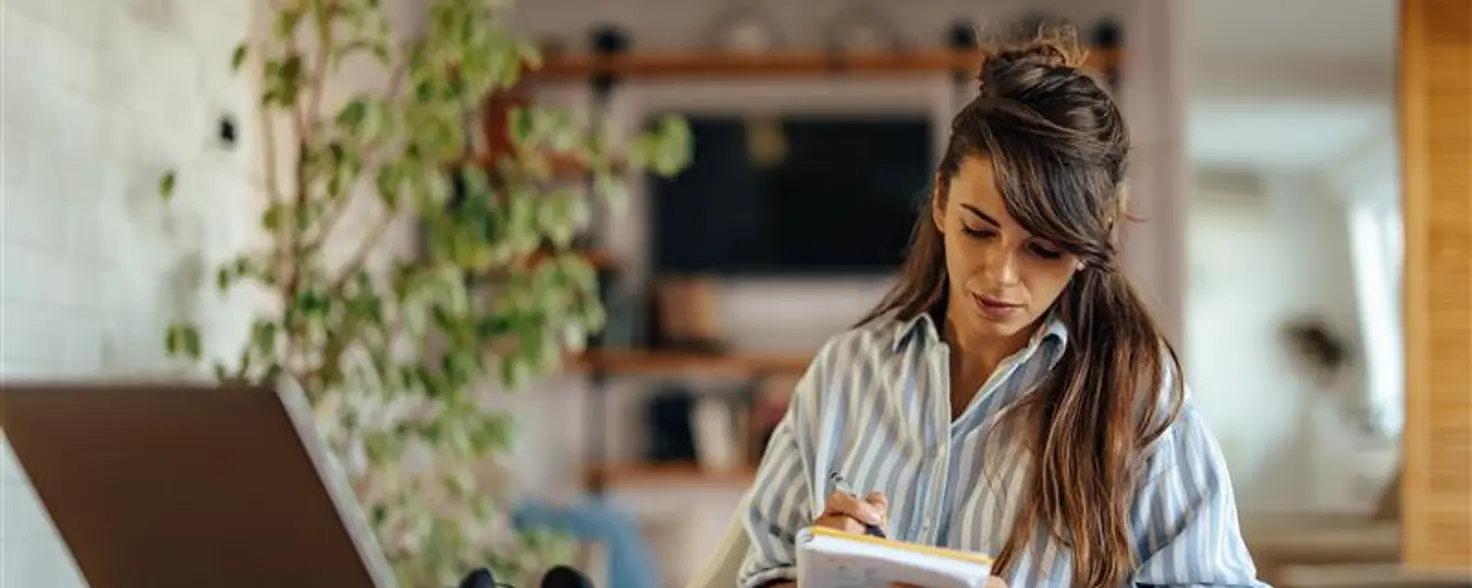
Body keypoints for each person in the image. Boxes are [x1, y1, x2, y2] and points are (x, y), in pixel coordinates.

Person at [737, 30, 1266, 588]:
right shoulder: (843, 374)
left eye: (1044, 248)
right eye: (977, 229)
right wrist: (825, 575)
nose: (1000, 275)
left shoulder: (1140, 402)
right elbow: (760, 571)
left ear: (1090, 244)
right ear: (941, 200)